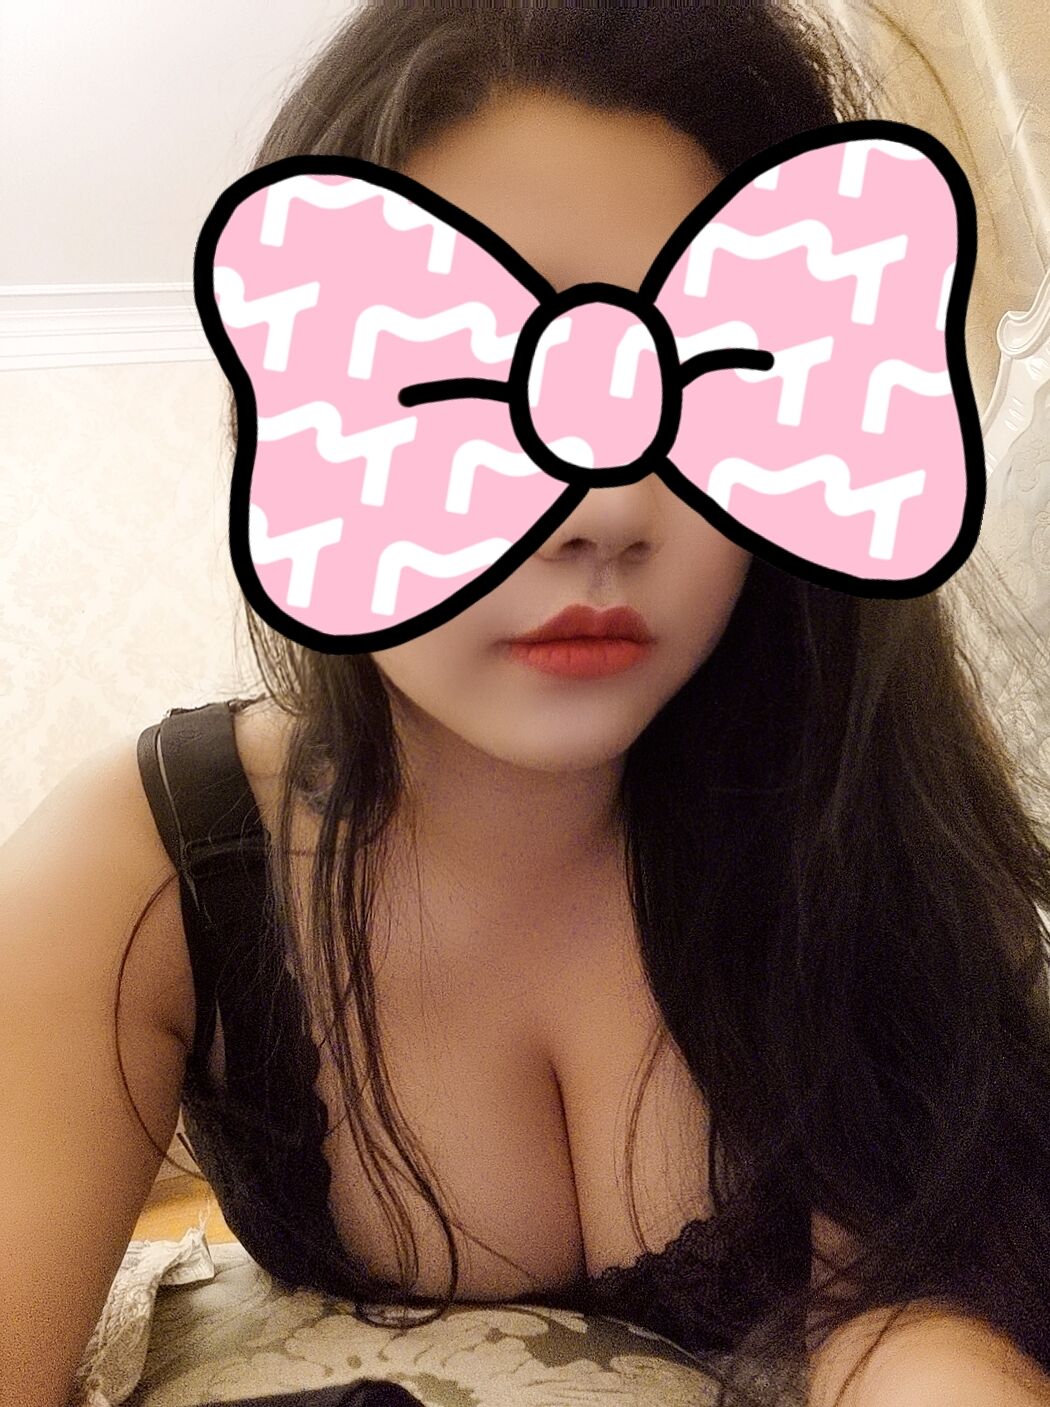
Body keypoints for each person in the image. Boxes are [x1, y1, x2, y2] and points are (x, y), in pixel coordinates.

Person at [5, 7, 1050, 1407]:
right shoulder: (143, 866)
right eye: (468, 391)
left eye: (694, 379)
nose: (602, 509)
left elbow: (914, 1311)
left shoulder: (861, 820)